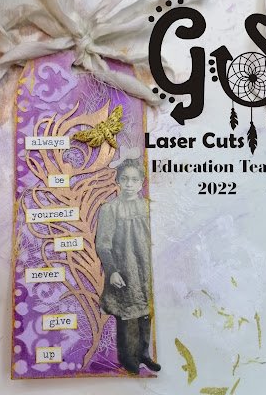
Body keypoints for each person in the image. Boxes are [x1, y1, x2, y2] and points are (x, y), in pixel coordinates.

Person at [96, 158, 161, 375]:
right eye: (125, 179)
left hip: (146, 268)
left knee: (145, 311)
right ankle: (127, 358)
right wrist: (112, 270)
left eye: (134, 180)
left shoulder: (148, 206)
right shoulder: (110, 209)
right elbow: (103, 244)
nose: (130, 184)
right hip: (125, 268)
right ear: (118, 181)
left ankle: (143, 354)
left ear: (142, 182)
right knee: (127, 313)